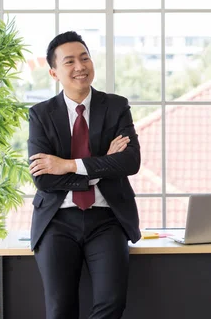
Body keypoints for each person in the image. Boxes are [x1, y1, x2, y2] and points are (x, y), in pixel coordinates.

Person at [28, 31, 141, 319]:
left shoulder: (116, 107)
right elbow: (43, 178)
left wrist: (68, 164)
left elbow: (130, 162)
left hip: (107, 219)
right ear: (54, 72)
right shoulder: (40, 114)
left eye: (85, 57)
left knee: (112, 302)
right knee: (60, 310)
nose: (80, 66)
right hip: (57, 220)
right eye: (69, 61)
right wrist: (103, 164)